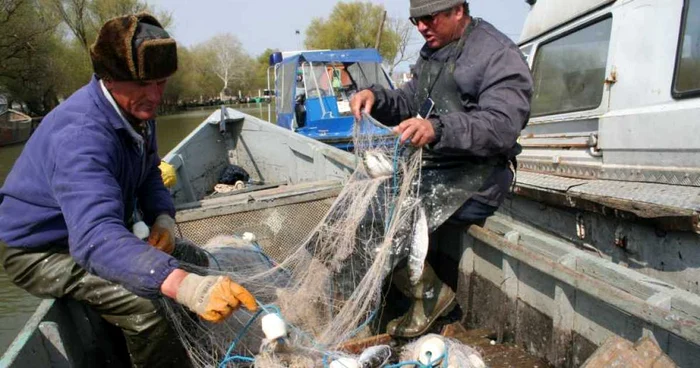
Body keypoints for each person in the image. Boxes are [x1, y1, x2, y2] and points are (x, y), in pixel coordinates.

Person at [0, 13, 256, 367]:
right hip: (42, 251)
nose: (154, 96)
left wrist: (162, 219)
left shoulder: (135, 113)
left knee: (192, 260)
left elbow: (149, 174)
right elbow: (93, 237)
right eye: (143, 85)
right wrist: (186, 287)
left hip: (100, 232)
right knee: (148, 309)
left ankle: (190, 355)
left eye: (161, 83)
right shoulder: (81, 137)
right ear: (110, 78)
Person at [351, 0, 533, 337]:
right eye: (415, 20)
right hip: (437, 169)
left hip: (479, 178)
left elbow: (502, 125)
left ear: (458, 10)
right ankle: (400, 293)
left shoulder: (497, 55)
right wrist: (376, 97)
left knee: (392, 219)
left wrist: (439, 129)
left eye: (429, 18)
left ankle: (432, 297)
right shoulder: (433, 51)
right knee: (365, 211)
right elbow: (410, 99)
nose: (421, 27)